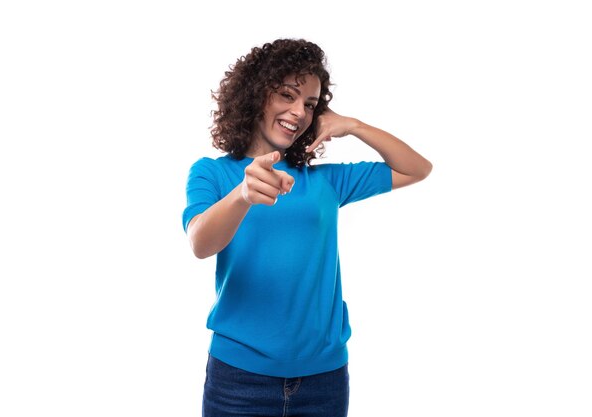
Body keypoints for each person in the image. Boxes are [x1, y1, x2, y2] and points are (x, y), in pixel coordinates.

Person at [182, 38, 432, 417]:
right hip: (239, 379)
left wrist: (354, 126)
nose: (299, 113)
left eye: (310, 105)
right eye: (287, 95)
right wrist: (243, 195)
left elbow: (416, 168)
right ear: (256, 95)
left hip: (324, 380)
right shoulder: (212, 173)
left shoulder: (325, 182)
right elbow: (201, 242)